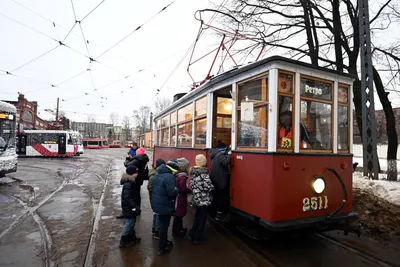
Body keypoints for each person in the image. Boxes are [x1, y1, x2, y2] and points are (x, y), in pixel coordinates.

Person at [151, 159, 179, 256]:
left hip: (157, 205)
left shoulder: (157, 174)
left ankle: (164, 243)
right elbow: (171, 192)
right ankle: (162, 248)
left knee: (162, 224)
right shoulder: (170, 177)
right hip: (165, 206)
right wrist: (177, 189)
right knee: (164, 226)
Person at [117, 147, 149, 219]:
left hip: (134, 180)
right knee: (137, 195)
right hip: (140, 179)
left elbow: (127, 165)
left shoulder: (137, 160)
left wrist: (128, 159)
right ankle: (137, 210)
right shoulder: (144, 159)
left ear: (137, 153)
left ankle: (127, 212)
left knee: (129, 196)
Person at [189, 154, 214, 244]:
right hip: (203, 199)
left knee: (197, 217)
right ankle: (198, 236)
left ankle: (193, 233)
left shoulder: (192, 172)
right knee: (202, 218)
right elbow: (209, 187)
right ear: (204, 163)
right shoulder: (203, 174)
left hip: (196, 198)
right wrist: (213, 186)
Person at [119, 165, 141, 248]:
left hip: (130, 207)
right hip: (129, 208)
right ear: (132, 174)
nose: (137, 174)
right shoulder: (129, 184)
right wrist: (134, 207)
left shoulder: (131, 181)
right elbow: (127, 198)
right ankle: (123, 241)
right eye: (136, 172)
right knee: (130, 223)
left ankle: (131, 237)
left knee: (132, 222)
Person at [210, 141, 232, 221]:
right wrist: (229, 154)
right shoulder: (220, 155)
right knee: (222, 197)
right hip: (221, 180)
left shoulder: (214, 154)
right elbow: (226, 163)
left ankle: (215, 212)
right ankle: (219, 214)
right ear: (222, 149)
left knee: (217, 196)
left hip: (215, 179)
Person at [147, 158, 166, 239]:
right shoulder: (154, 176)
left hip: (154, 198)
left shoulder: (153, 173)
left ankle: (154, 229)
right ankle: (157, 232)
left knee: (156, 214)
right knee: (158, 215)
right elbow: (150, 188)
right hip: (155, 199)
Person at [172, 157, 191, 237]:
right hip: (180, 198)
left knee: (179, 215)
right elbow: (182, 188)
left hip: (178, 197)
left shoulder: (177, 174)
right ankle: (177, 232)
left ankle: (180, 228)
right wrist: (189, 190)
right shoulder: (182, 176)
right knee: (178, 215)